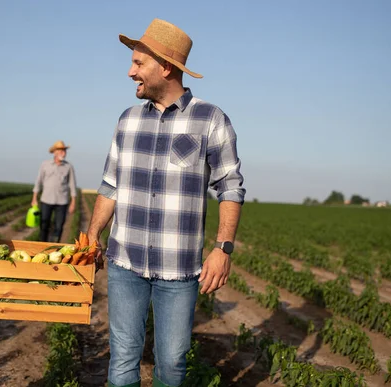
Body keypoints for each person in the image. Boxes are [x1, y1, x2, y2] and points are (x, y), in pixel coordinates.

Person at [87, 19, 246, 387]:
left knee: (172, 364)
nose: (131, 72)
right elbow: (110, 184)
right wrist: (93, 233)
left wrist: (223, 249)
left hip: (179, 268)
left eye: (139, 64)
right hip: (125, 261)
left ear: (166, 67)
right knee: (123, 359)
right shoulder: (127, 121)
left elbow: (230, 187)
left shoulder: (211, 120)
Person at [31, 140, 77, 242]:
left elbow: (72, 185)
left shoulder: (68, 167)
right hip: (46, 200)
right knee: (44, 225)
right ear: (55, 152)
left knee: (59, 227)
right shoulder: (45, 164)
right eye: (61, 151)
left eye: (64, 151)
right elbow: (38, 181)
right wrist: (34, 198)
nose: (63, 153)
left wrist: (73, 202)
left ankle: (55, 248)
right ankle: (42, 247)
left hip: (62, 202)